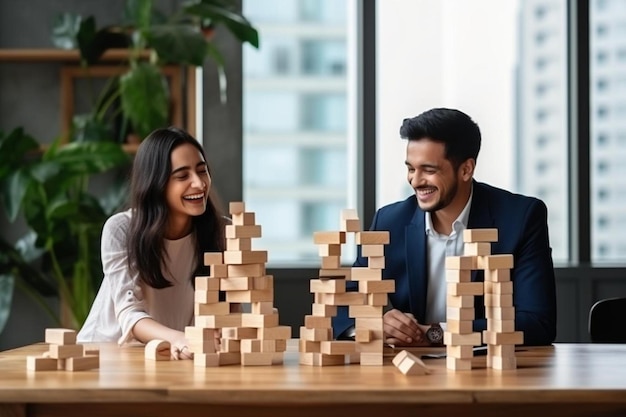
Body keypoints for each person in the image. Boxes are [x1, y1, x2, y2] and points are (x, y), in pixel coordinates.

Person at [332, 107, 557, 346]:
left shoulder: (520, 218)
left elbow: (537, 322)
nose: (416, 181)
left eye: (429, 170)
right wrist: (372, 325)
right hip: (410, 369)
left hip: (488, 369)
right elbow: (344, 304)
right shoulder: (389, 221)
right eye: (410, 168)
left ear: (466, 169)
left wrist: (435, 333)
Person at [77, 127, 228, 359]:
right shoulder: (121, 230)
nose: (199, 184)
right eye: (182, 176)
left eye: (202, 171)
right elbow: (129, 314)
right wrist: (179, 338)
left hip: (174, 352)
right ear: (156, 183)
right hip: (106, 354)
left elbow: (231, 306)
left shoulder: (224, 232)